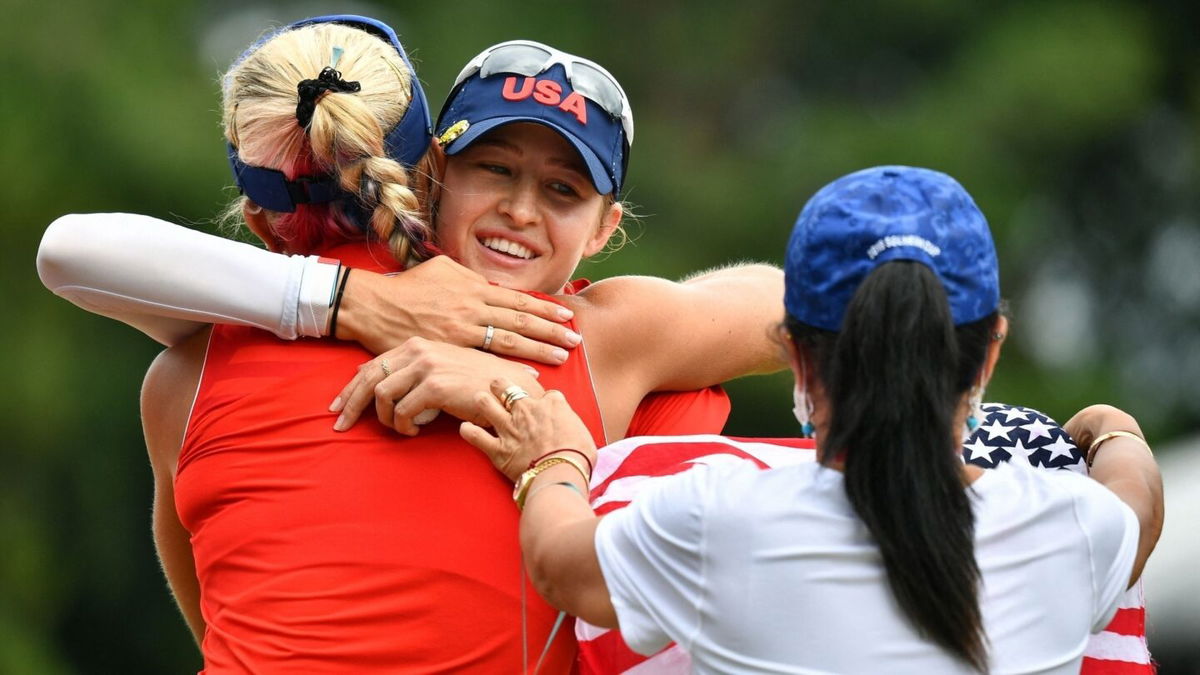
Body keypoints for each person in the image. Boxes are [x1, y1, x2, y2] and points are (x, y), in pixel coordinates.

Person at [38, 16, 780, 672]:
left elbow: (217, 616)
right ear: (429, 176)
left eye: (562, 190)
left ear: (604, 226)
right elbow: (797, 305)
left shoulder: (184, 372)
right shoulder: (589, 340)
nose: (521, 210)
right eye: (495, 168)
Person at [462, 166, 1164, 673]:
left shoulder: (719, 519)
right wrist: (1110, 428)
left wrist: (551, 458)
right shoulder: (1074, 528)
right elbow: (1139, 501)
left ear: (797, 355)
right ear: (989, 353)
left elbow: (560, 566)